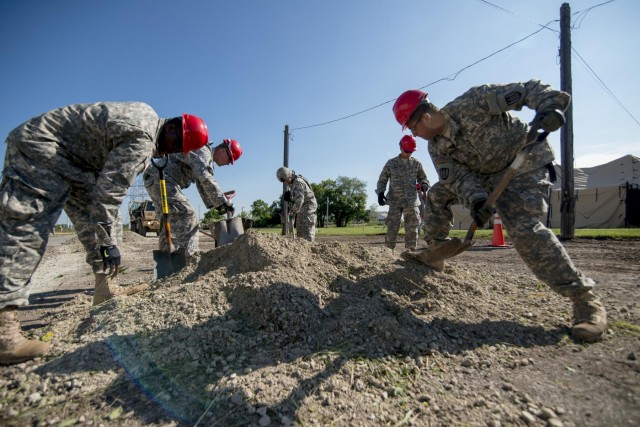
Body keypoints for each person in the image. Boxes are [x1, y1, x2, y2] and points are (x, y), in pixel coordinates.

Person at [392, 80, 607, 342]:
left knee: (524, 228)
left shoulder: (474, 102)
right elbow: (457, 178)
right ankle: (437, 252)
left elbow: (528, 89)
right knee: (437, 194)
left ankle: (585, 301)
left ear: (425, 117)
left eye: (413, 128)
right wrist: (477, 201)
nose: (414, 135)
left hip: (524, 166)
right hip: (485, 180)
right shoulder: (436, 147)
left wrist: (549, 105)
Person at [0, 102, 209, 364]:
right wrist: (107, 243)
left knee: (99, 223)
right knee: (27, 228)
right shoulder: (143, 138)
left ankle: (105, 289)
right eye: (175, 145)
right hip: (42, 149)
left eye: (179, 150)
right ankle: (3, 333)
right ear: (169, 128)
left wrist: (107, 237)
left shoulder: (147, 122)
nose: (172, 151)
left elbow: (104, 199)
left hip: (75, 163)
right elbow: (110, 193)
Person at [143, 139, 242, 261]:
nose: (228, 164)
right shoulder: (203, 152)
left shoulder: (204, 157)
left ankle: (166, 259)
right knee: (189, 215)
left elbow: (202, 184)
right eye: (229, 159)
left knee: (166, 220)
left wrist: (218, 202)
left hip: (155, 178)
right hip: (162, 179)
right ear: (223, 151)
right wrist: (222, 203)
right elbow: (205, 178)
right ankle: (191, 259)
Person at [376, 135, 430, 250]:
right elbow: (383, 179)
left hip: (411, 202)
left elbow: (423, 178)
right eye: (407, 151)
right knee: (392, 228)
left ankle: (410, 254)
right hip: (395, 201)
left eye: (411, 151)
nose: (409, 153)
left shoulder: (416, 164)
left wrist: (424, 184)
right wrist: (380, 193)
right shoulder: (391, 163)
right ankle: (388, 254)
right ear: (400, 147)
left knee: (412, 229)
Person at [276, 167, 317, 242]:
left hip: (308, 207)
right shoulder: (293, 182)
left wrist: (292, 212)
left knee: (306, 229)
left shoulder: (298, 182)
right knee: (300, 229)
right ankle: (303, 250)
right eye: (283, 181)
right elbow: (298, 198)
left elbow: (300, 200)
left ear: (289, 176)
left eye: (286, 180)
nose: (285, 183)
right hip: (303, 207)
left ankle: (309, 248)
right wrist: (291, 197)